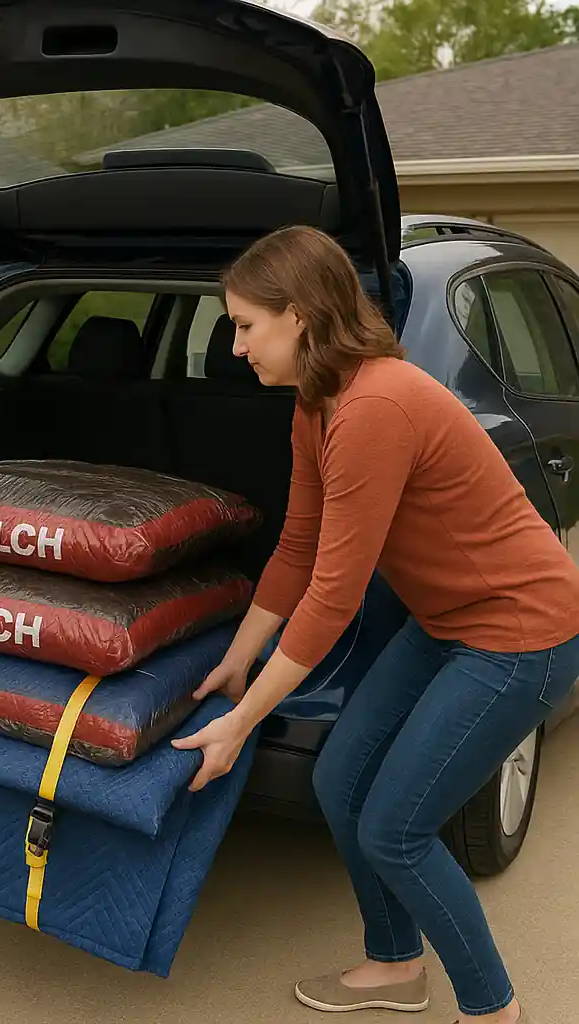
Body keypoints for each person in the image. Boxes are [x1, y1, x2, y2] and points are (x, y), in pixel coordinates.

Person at [173, 225, 579, 1024]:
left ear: (299, 317)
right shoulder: (317, 405)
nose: (235, 346)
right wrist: (237, 660)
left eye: (245, 325)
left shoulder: (377, 406)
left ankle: (494, 1010)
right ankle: (395, 966)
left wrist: (243, 723)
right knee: (340, 778)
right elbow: (297, 546)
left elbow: (334, 593)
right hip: (449, 621)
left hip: (522, 633)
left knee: (397, 827)